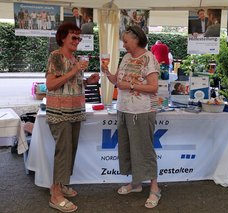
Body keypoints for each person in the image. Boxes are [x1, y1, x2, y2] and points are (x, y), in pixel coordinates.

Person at [102, 25, 161, 209]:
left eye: (126, 41)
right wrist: (107, 73)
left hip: (142, 111)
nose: (124, 44)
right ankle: (136, 184)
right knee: (128, 149)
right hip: (124, 109)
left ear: (136, 39)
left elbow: (153, 88)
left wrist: (131, 87)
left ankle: (155, 188)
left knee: (144, 149)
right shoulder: (126, 57)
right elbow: (120, 83)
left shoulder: (149, 58)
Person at [45, 22, 100, 212]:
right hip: (61, 112)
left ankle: (61, 184)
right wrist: (75, 70)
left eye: (79, 37)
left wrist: (87, 80)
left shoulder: (74, 58)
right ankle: (55, 194)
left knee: (71, 149)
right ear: (62, 38)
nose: (77, 41)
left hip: (75, 110)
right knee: (64, 151)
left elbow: (71, 82)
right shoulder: (57, 56)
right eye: (74, 37)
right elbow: (51, 85)